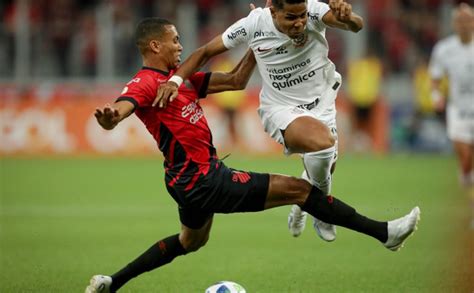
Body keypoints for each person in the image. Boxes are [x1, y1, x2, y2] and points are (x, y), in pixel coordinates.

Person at [85, 15, 421, 293]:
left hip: (185, 181)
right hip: (204, 180)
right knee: (301, 190)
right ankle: (385, 233)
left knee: (191, 241)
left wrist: (255, 37)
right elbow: (122, 107)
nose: (180, 45)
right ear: (155, 45)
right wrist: (111, 117)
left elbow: (235, 80)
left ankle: (112, 282)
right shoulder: (146, 82)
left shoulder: (181, 81)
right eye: (174, 40)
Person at [154, 0, 364, 242]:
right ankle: (323, 214)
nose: (299, 23)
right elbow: (205, 52)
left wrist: (348, 17)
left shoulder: (315, 10)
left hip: (323, 101)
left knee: (324, 165)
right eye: (291, 17)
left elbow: (356, 26)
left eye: (302, 16)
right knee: (323, 144)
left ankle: (304, 205)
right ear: (273, 11)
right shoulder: (254, 23)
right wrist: (175, 81)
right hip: (282, 107)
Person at [428, 2, 474, 228]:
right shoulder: (444, 49)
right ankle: (466, 179)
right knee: (465, 160)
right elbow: (435, 79)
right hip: (458, 111)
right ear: (454, 24)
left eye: (468, 20)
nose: (464, 25)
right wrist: (436, 95)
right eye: (460, 21)